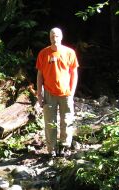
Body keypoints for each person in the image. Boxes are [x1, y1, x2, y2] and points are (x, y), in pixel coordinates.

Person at [36, 27, 79, 157]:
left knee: (66, 120)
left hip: (66, 93)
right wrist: (39, 94)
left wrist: (72, 91)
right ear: (49, 38)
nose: (55, 39)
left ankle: (65, 146)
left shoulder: (69, 53)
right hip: (49, 93)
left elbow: (74, 73)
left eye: (57, 36)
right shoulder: (43, 53)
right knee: (50, 122)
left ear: (61, 37)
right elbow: (39, 75)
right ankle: (52, 149)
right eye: (52, 36)